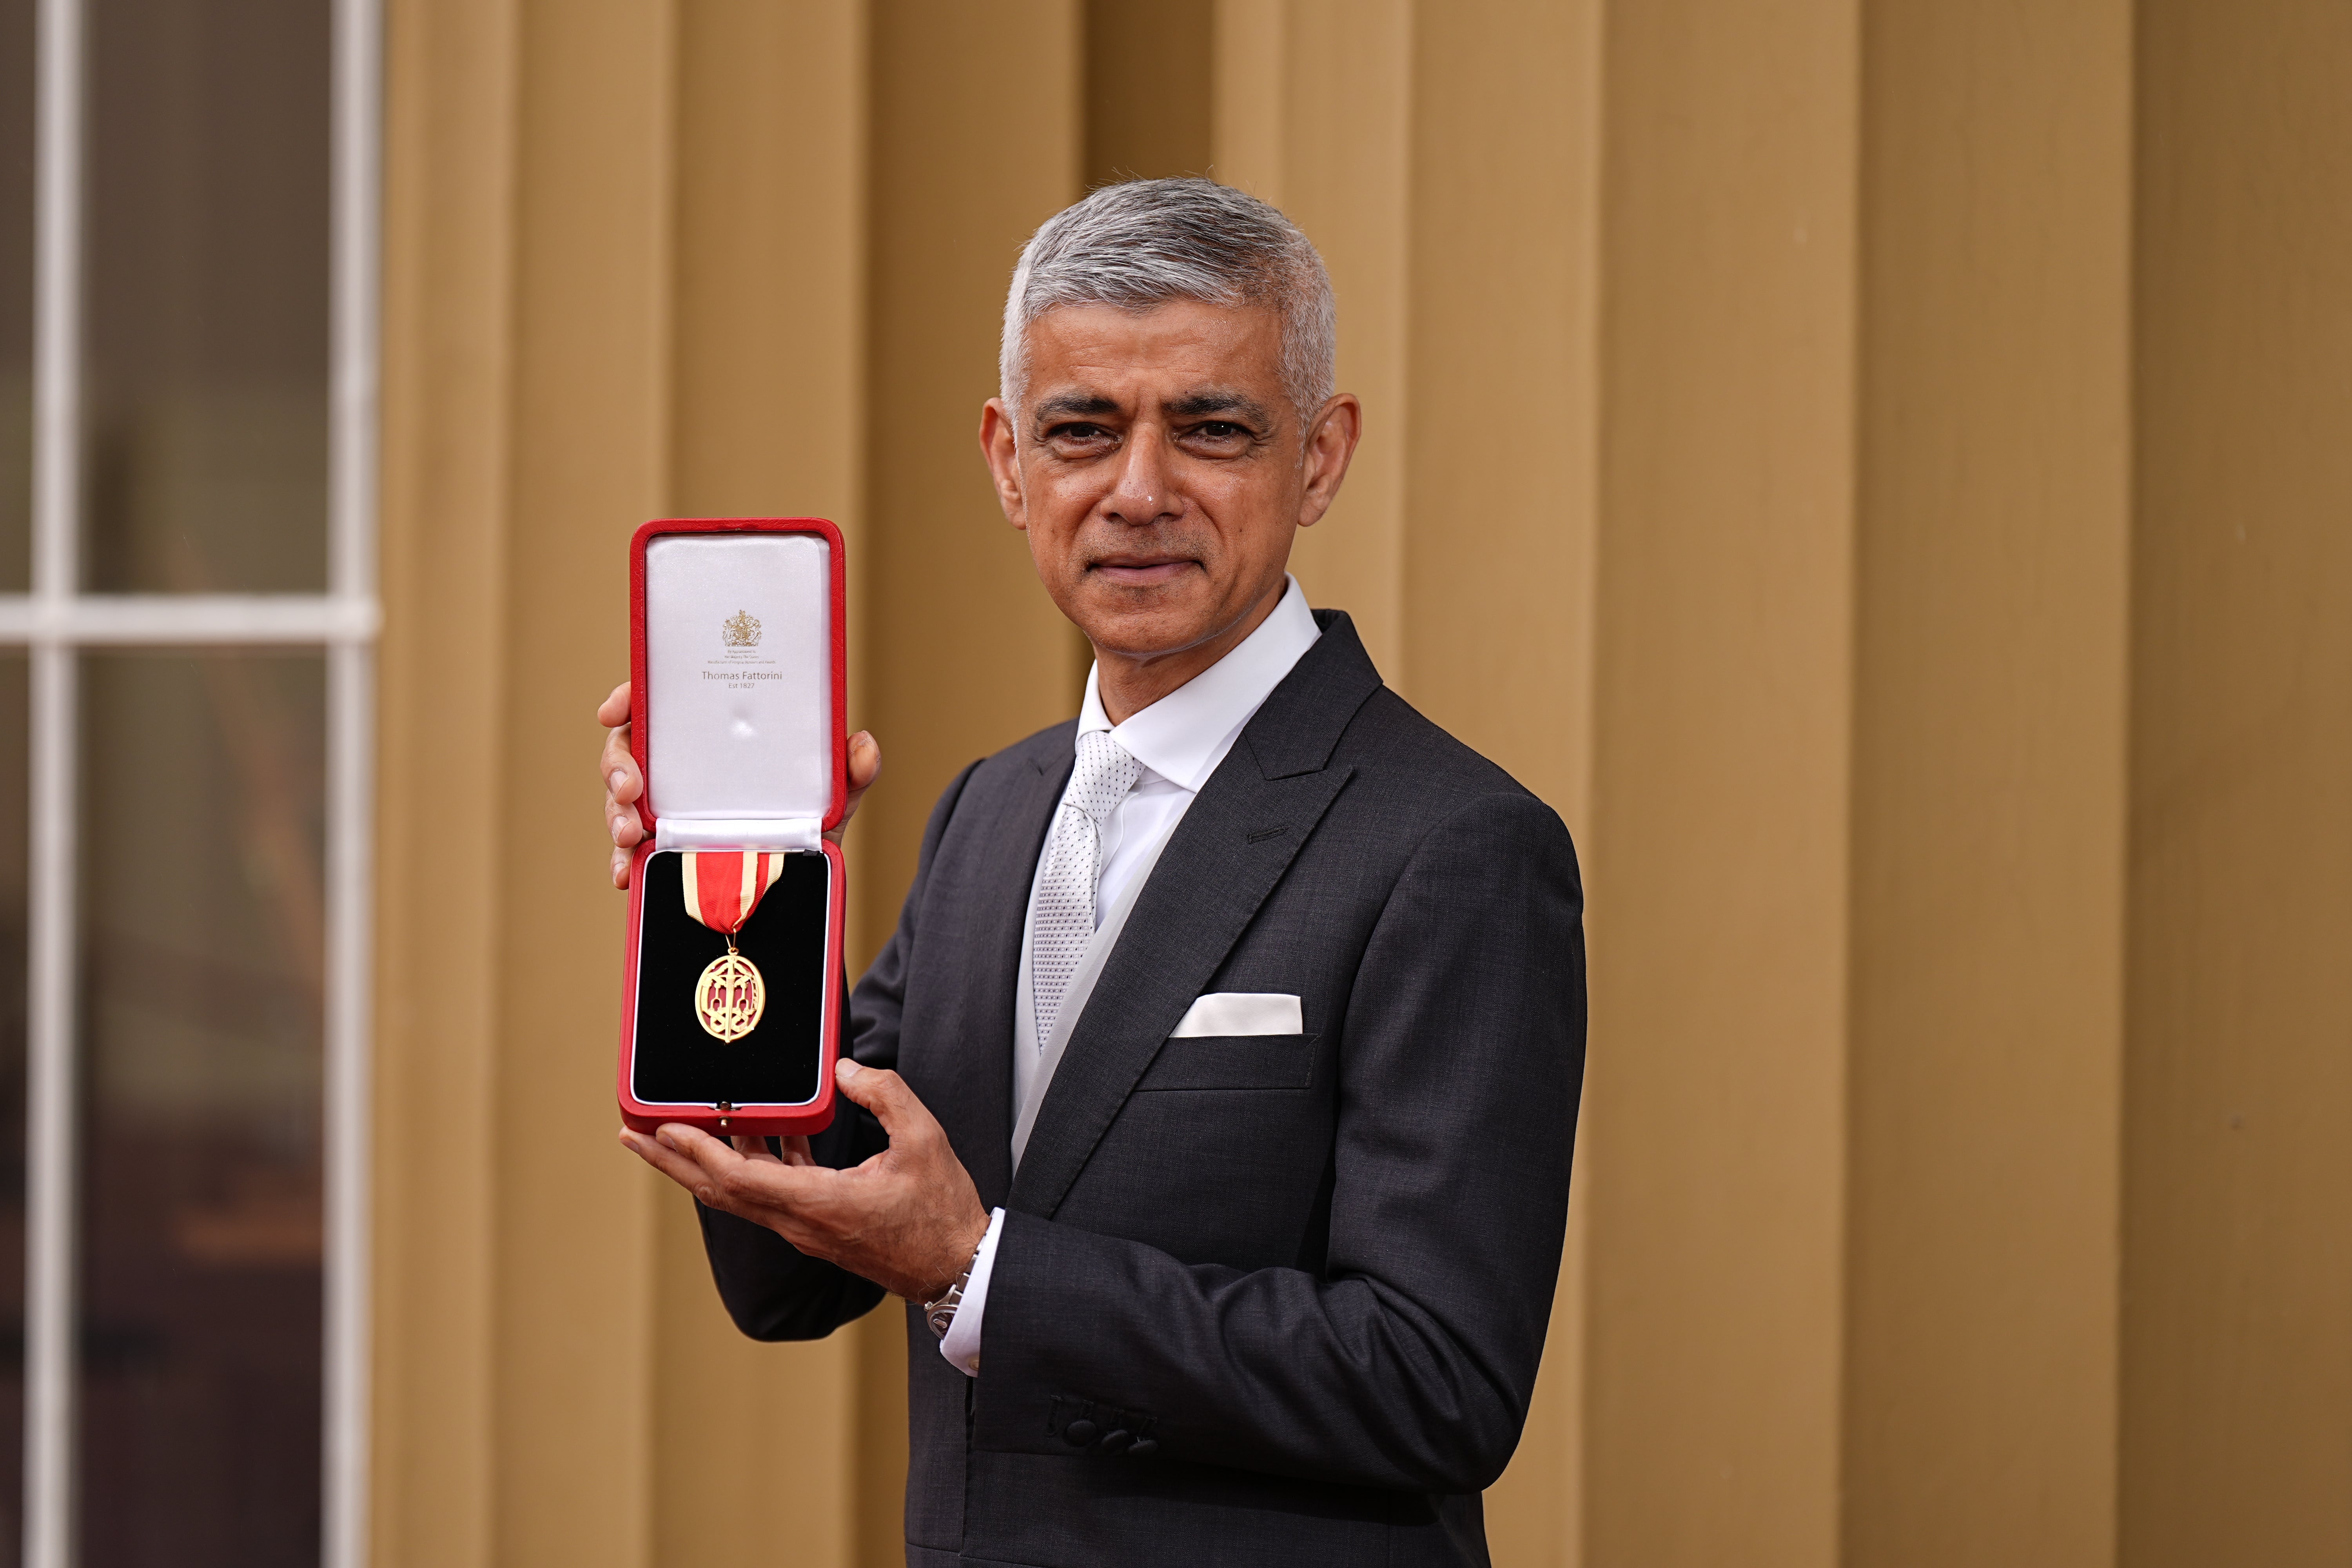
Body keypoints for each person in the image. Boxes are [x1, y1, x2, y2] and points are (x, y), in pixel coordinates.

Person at [598, 178, 1585, 1567]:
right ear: (1010, 463)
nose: (1139, 491)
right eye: (1082, 431)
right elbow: (793, 1268)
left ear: (1320, 457)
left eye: (1214, 429)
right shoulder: (986, 815)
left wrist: (980, 1274)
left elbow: (1438, 1381)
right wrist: (719, 906)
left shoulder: (1456, 844)